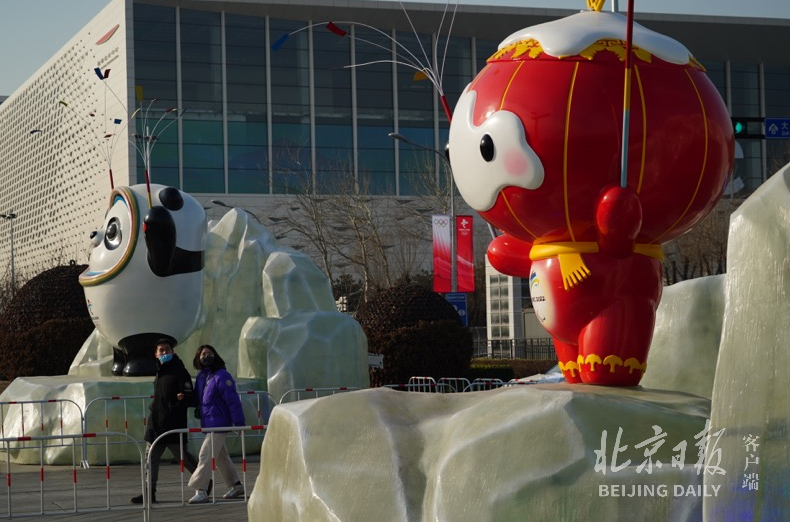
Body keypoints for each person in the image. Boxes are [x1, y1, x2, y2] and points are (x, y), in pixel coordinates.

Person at [131, 339, 199, 504]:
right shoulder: (159, 372)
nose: (165, 353)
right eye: (161, 350)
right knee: (150, 459)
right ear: (156, 354)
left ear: (173, 352)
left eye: (167, 350)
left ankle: (204, 482)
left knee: (183, 458)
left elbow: (190, 397)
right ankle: (149, 493)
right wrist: (154, 407)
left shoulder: (180, 372)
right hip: (156, 425)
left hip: (173, 425)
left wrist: (181, 400)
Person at [187, 344, 247, 504]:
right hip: (209, 423)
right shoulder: (201, 378)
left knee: (205, 455)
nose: (205, 356)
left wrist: (239, 422)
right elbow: (197, 399)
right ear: (198, 359)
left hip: (219, 423)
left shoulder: (222, 376)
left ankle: (201, 490)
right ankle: (235, 485)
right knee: (221, 456)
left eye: (209, 353)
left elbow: (233, 401)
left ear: (215, 355)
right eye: (202, 354)